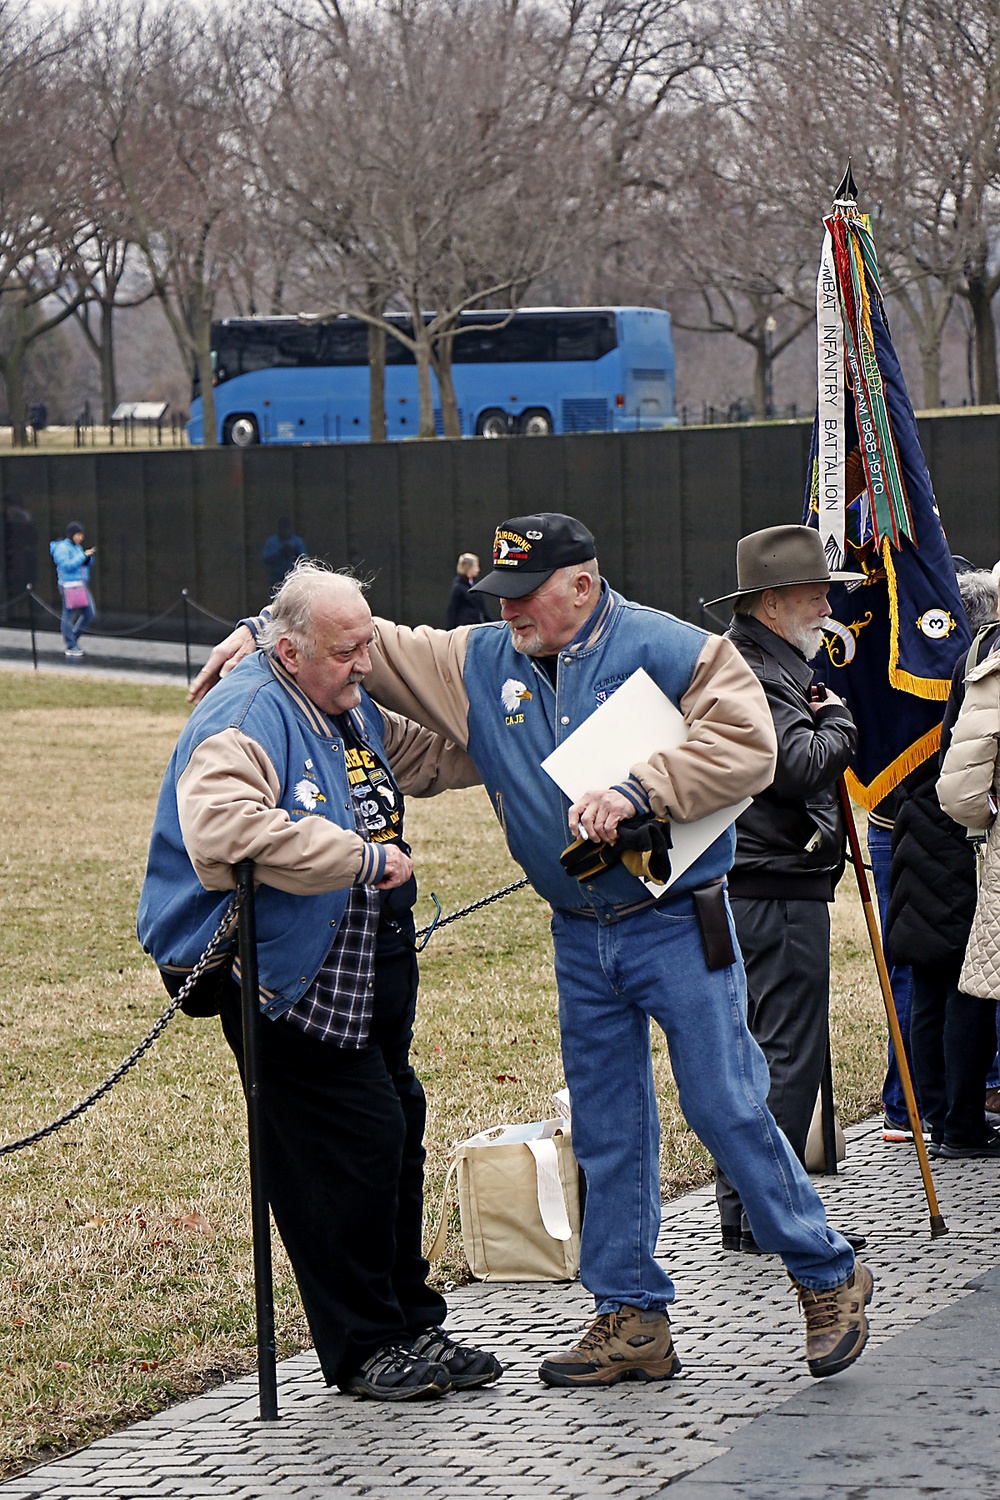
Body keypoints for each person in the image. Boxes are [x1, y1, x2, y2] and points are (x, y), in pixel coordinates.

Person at [192, 513, 875, 1387]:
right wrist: (260, 631)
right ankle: (630, 1317)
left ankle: (825, 1274)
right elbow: (377, 643)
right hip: (579, 934)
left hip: (677, 918)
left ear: (582, 588)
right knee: (606, 1128)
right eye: (500, 596)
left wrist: (640, 790)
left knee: (726, 1105)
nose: (508, 611)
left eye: (526, 595)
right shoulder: (480, 659)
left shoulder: (669, 646)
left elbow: (747, 745)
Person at [139, 562, 502, 1401]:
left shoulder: (345, 698)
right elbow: (221, 831)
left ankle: (411, 1323)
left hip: (364, 957)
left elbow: (426, 756)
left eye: (368, 646)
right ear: (289, 649)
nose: (365, 664)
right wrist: (362, 859)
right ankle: (365, 1346)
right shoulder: (244, 712)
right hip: (279, 974)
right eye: (347, 652)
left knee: (396, 1123)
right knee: (347, 1149)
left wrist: (520, 740)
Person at [704, 526, 862, 1253]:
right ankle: (772, 1216)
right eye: (816, 594)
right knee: (787, 1050)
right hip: (775, 879)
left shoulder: (758, 658)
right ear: (773, 603)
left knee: (755, 1052)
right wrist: (840, 721)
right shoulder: (761, 670)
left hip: (758, 875)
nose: (829, 605)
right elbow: (796, 765)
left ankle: (748, 1211)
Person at [895, 570, 1000, 1159]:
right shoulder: (980, 663)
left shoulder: (931, 667)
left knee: (938, 984)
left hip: (924, 831)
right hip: (960, 837)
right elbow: (964, 781)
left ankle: (933, 1113)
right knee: (968, 985)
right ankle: (956, 1119)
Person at [49, 520, 95, 659]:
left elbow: (83, 564)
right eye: (78, 534)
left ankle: (73, 638)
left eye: (82, 535)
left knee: (90, 613)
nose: (81, 538)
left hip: (80, 585)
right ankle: (70, 645)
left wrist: (88, 559)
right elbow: (67, 565)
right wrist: (83, 556)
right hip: (69, 586)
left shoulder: (77, 547)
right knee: (68, 616)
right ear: (71, 535)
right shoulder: (61, 548)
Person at [445, 552, 491, 629]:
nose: (478, 570)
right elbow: (452, 609)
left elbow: (482, 608)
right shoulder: (458, 587)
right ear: (469, 568)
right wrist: (450, 629)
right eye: (476, 566)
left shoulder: (473, 585)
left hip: (475, 625)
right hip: (464, 626)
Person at [261, 518, 306, 590]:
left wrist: (294, 552)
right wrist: (280, 552)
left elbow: (304, 559)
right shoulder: (272, 542)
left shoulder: (296, 541)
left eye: (287, 529)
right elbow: (266, 558)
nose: (285, 532)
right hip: (276, 579)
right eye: (283, 529)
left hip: (293, 578)